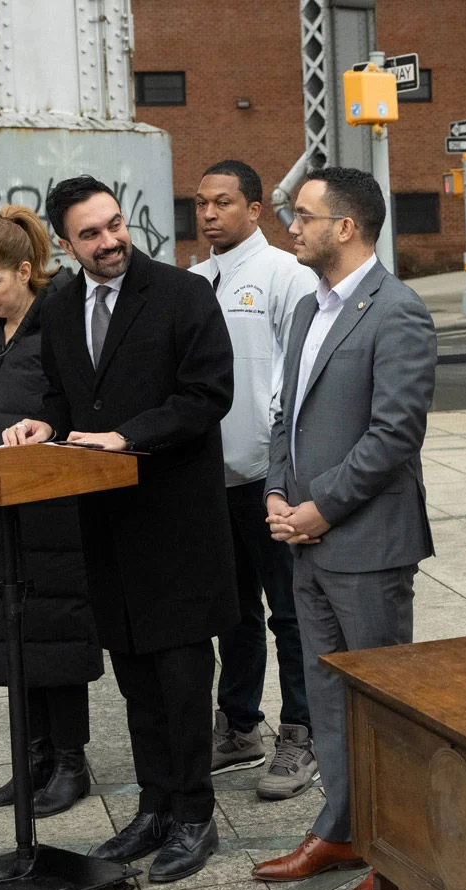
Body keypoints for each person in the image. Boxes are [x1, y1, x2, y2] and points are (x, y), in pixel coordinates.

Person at [2, 175, 236, 884]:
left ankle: (194, 815)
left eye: (114, 225)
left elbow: (207, 396)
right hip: (105, 523)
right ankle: (154, 806)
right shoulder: (61, 303)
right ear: (67, 246)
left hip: (176, 519)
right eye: (92, 234)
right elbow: (60, 393)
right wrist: (48, 422)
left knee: (182, 675)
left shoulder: (182, 294)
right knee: (134, 675)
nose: (110, 242)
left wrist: (124, 436)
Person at [249, 167, 436, 890]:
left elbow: (395, 435)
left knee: (383, 706)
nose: (292, 226)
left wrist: (320, 508)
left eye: (304, 215)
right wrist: (274, 487)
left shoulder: (399, 313)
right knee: (328, 697)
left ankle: (402, 850)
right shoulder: (305, 311)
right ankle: (343, 830)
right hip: (303, 538)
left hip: (365, 544)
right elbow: (283, 415)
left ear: (347, 227)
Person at [0, 205, 103, 817]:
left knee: (54, 632)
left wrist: (49, 435)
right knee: (8, 633)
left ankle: (70, 761)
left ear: (27, 270)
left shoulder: (63, 319)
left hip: (52, 506)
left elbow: (78, 410)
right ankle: (33, 757)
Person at [188, 160, 320, 800]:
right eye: (201, 203)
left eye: (222, 202)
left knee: (289, 612)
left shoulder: (285, 277)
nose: (209, 214)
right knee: (231, 613)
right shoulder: (194, 281)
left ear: (255, 208)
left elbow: (295, 380)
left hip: (270, 477)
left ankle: (303, 730)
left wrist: (283, 469)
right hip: (209, 480)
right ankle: (240, 725)